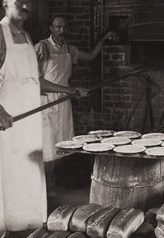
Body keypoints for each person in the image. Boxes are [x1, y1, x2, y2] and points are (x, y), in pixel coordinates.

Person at [0, 0, 85, 238]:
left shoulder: (26, 37)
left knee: (22, 180)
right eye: (18, 1)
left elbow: (36, 81)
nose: (24, 6)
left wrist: (69, 90)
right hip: (4, 124)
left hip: (26, 123)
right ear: (5, 5)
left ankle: (16, 228)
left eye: (27, 2)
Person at [35, 15, 115, 198]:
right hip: (46, 102)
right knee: (47, 145)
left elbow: (91, 55)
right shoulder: (42, 47)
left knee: (61, 142)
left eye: (64, 27)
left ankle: (52, 182)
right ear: (51, 28)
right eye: (58, 27)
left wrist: (103, 38)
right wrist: (69, 90)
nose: (62, 30)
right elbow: (38, 81)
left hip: (63, 102)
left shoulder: (69, 49)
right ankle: (45, 186)